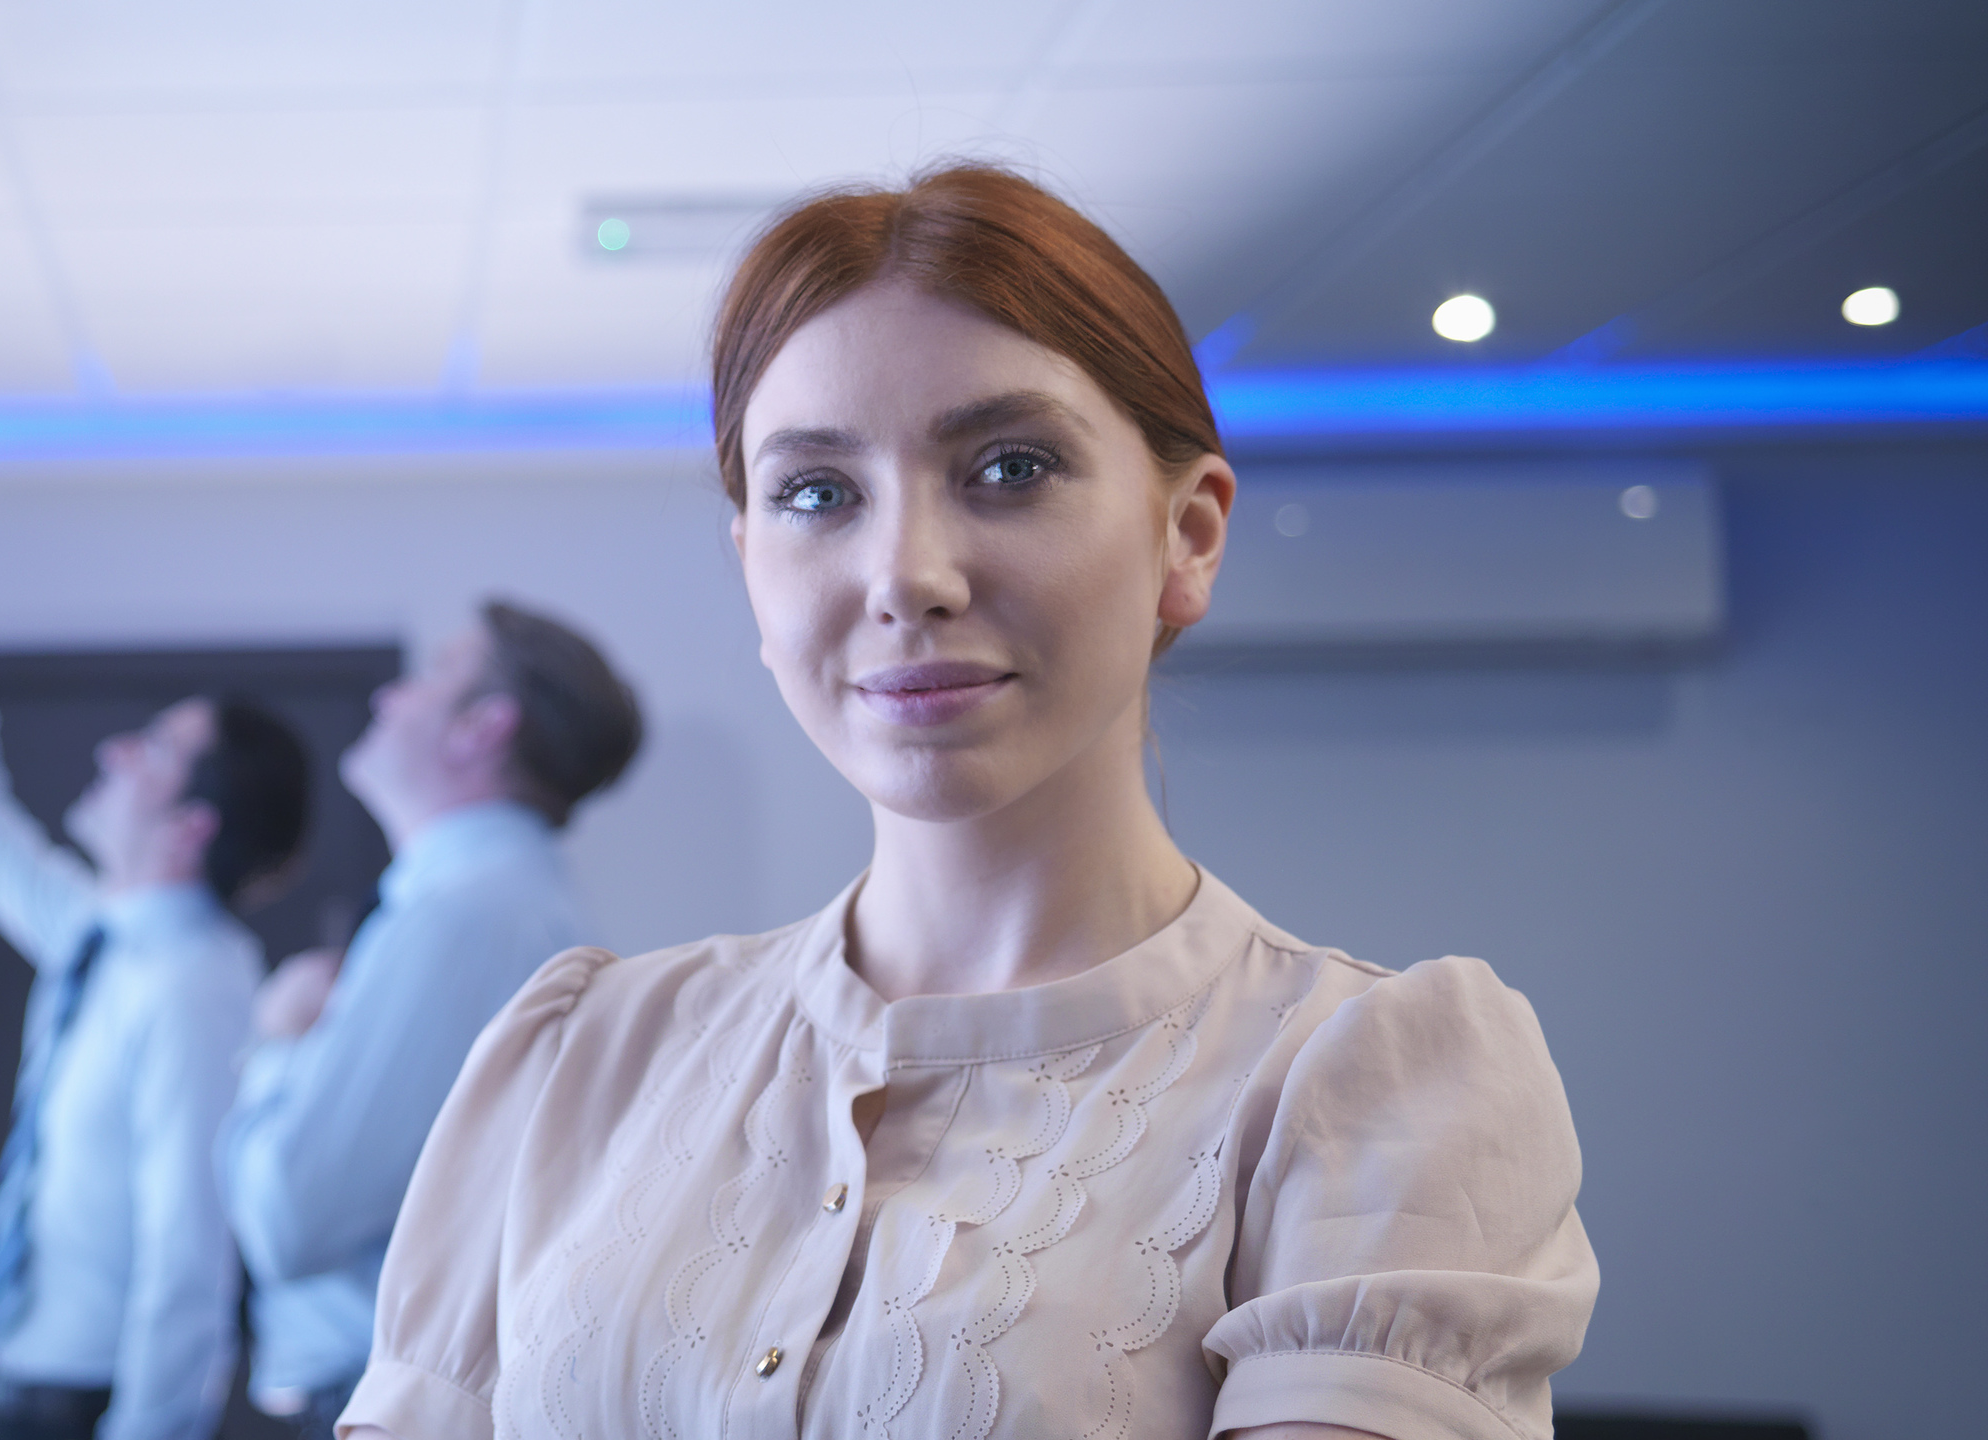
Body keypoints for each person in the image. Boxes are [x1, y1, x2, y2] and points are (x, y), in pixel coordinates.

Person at [339, 164, 1595, 1440]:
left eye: (1009, 467)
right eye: (818, 494)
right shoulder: (580, 1059)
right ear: (752, 570)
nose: (905, 575)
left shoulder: (1365, 1083)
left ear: (1190, 536)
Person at [0, 476, 313, 1440]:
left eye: (154, 752)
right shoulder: (102, 935)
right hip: (27, 1380)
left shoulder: (194, 985)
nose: (117, 752)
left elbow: (188, 1259)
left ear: (189, 828)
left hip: (92, 1409)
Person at [220, 600, 643, 1440]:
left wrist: (275, 1045)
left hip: (368, 1401)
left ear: (482, 727)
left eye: (429, 678)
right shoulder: (483, 904)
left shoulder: (465, 917)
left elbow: (286, 1222)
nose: (388, 700)